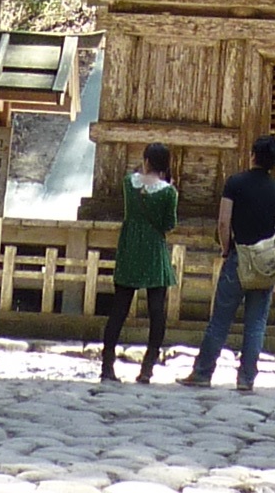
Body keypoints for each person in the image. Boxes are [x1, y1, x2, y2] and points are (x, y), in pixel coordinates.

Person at [178, 134, 275, 392]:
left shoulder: (235, 183)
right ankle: (246, 378)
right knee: (256, 323)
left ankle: (203, 373)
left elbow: (223, 221)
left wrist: (226, 248)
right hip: (264, 264)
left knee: (220, 319)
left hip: (239, 256)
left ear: (252, 155)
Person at [99, 142, 178, 383]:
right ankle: (147, 367)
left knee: (119, 309)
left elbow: (132, 192)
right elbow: (168, 225)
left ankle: (107, 365)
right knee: (156, 311)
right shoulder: (168, 192)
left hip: (130, 246)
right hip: (154, 249)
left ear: (146, 160)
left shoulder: (128, 183)